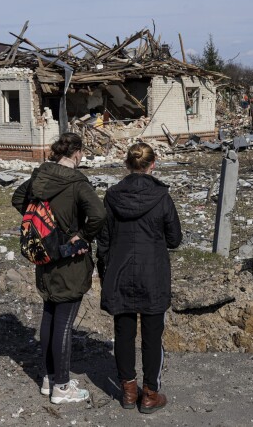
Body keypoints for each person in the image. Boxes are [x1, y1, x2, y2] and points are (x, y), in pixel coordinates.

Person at [11, 132, 105, 404]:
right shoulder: (78, 182)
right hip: (69, 259)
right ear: (76, 153)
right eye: (82, 153)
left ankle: (49, 378)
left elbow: (19, 199)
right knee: (64, 321)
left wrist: (42, 228)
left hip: (44, 257)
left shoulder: (40, 176)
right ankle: (62, 388)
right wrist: (81, 236)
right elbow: (99, 214)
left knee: (50, 314)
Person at [97, 142, 182, 414]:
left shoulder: (112, 196)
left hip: (120, 272)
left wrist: (104, 270)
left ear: (127, 164)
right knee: (152, 336)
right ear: (152, 164)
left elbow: (104, 239)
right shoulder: (162, 197)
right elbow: (175, 238)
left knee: (123, 333)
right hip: (153, 273)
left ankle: (129, 390)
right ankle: (149, 394)